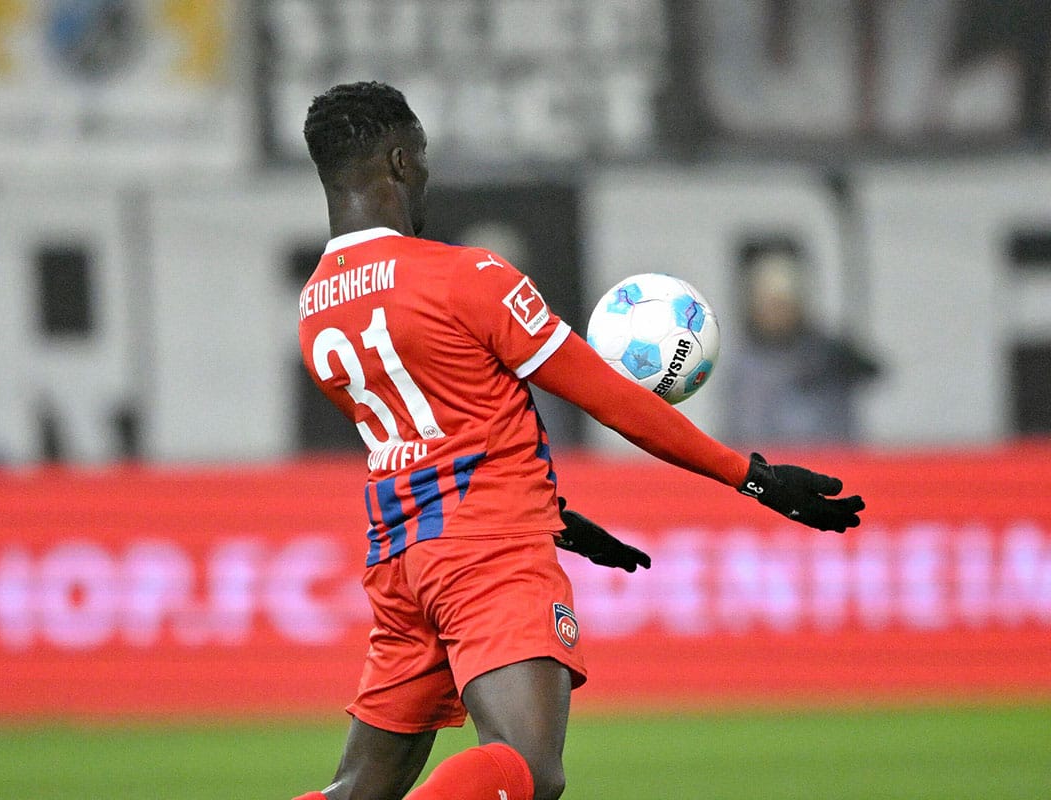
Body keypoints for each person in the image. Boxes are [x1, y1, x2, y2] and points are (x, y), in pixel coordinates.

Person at [292, 82, 864, 800]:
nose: (429, 174)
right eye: (425, 157)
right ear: (400, 161)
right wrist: (750, 475)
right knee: (525, 767)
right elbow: (609, 395)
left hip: (403, 564)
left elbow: (438, 433)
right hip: (486, 552)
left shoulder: (317, 309)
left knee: (357, 789)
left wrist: (552, 514)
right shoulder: (464, 277)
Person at [723, 248, 881, 446]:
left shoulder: (828, 356)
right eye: (770, 304)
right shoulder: (744, 367)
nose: (777, 314)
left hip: (829, 467)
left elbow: (873, 372)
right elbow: (741, 432)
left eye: (784, 304)